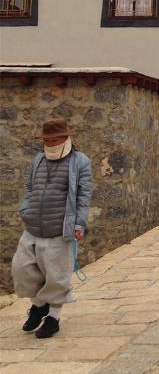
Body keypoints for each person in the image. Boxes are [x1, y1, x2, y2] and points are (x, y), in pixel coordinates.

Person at [12, 118, 92, 338]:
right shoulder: (38, 159)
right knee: (21, 269)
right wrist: (25, 209)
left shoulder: (80, 161)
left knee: (57, 277)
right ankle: (39, 305)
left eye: (54, 139)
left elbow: (83, 195)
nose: (50, 143)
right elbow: (29, 187)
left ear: (66, 138)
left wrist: (79, 224)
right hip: (33, 226)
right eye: (46, 140)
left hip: (60, 229)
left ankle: (53, 318)